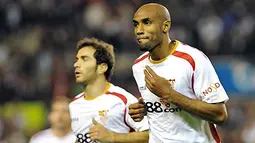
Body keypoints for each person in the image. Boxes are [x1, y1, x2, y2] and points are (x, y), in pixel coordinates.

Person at [128, 3, 229, 143]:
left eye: (147, 22)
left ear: (165, 26)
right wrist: (145, 109)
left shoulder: (192, 59)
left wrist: (170, 94)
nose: (139, 30)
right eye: (135, 24)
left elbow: (220, 114)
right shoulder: (138, 66)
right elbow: (166, 110)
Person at [69, 37, 149, 143]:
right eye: (77, 59)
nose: (76, 64)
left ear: (102, 67)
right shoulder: (74, 104)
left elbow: (150, 135)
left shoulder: (122, 100)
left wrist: (112, 137)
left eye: (84, 59)